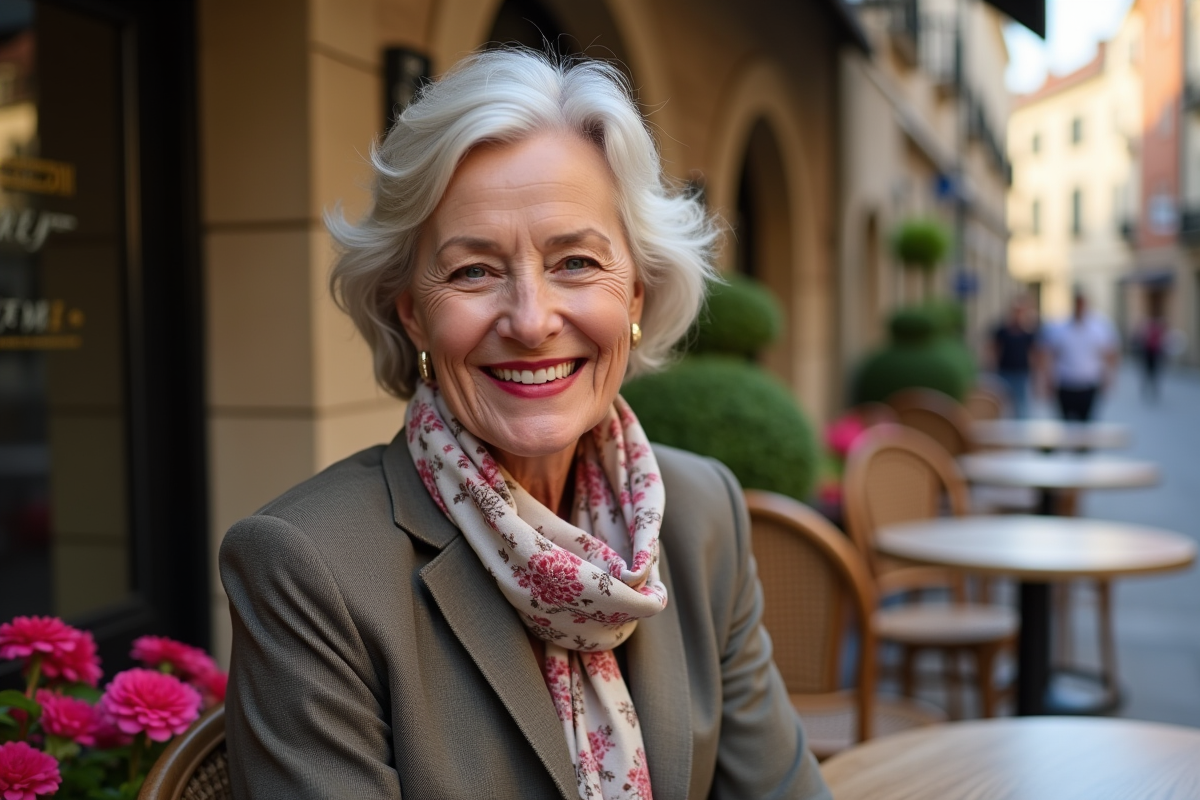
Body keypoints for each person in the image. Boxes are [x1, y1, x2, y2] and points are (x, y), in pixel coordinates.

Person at [218, 49, 830, 800]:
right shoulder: (307, 568)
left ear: (635, 298)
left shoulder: (703, 514)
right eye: (473, 271)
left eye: (575, 262)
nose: (532, 320)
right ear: (413, 314)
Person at [1037, 291, 1119, 422]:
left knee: (1087, 423)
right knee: (1066, 423)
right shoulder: (1060, 328)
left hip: (1089, 383)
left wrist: (1109, 379)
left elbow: (1110, 355)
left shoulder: (1099, 327)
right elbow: (1047, 355)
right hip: (1065, 383)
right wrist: (1046, 381)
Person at [989, 295, 1039, 418]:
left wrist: (1036, 373)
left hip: (1021, 371)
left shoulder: (1028, 332)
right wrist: (992, 365)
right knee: (1003, 402)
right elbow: (994, 348)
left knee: (1021, 404)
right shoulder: (1002, 330)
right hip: (1005, 370)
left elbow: (1033, 352)